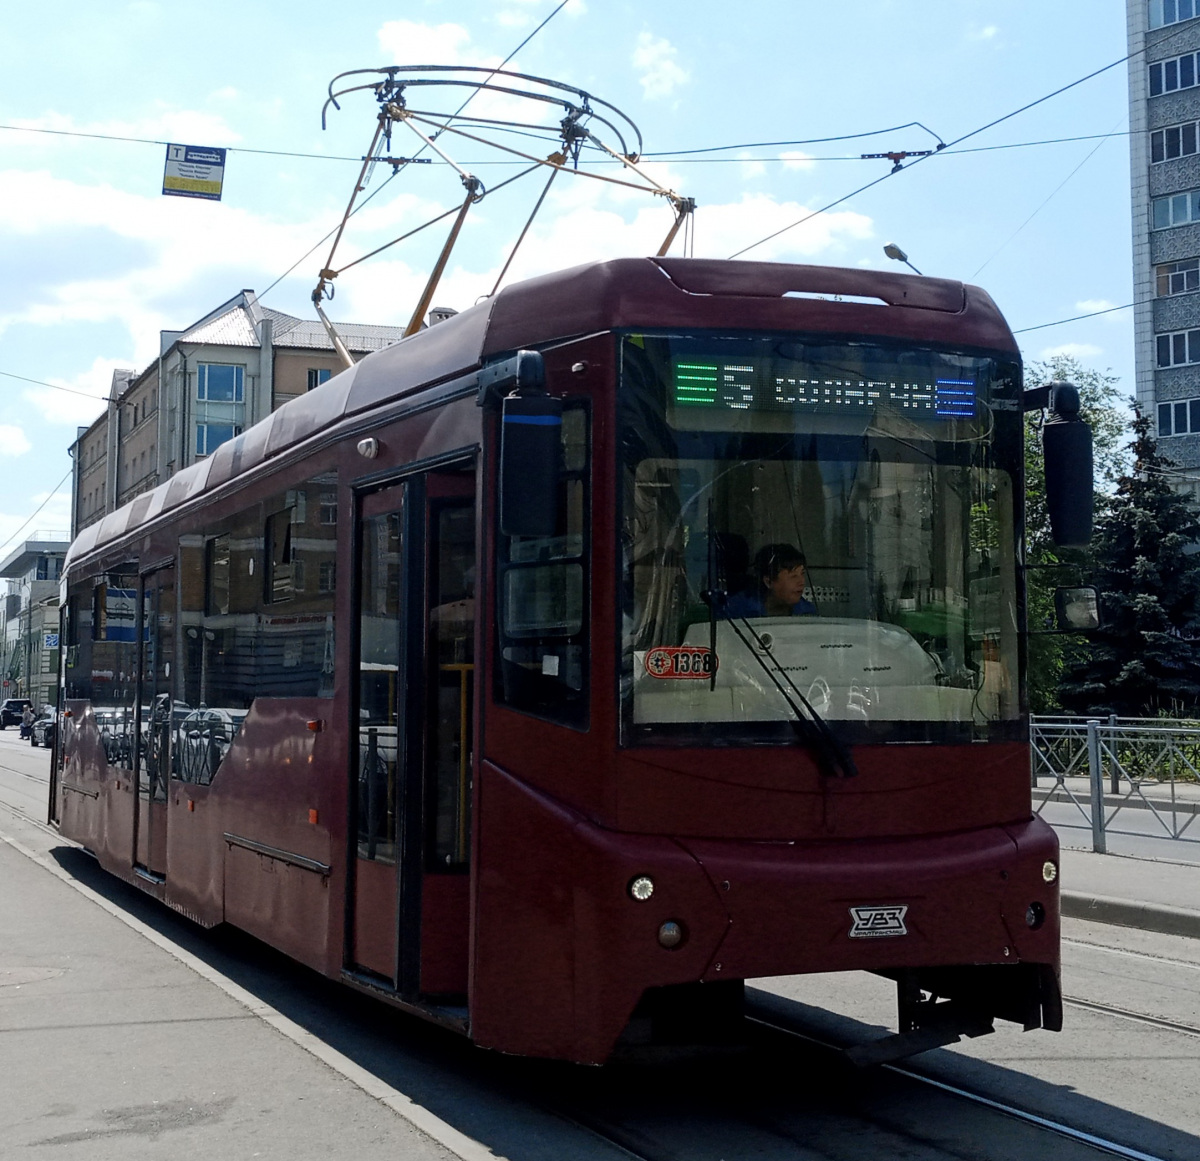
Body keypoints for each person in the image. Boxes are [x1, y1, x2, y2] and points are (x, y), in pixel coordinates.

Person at [725, 543, 817, 617]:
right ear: (768, 582)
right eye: (793, 576)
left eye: (802, 574)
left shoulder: (807, 612)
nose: (802, 582)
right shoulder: (735, 610)